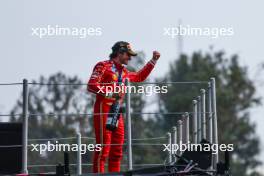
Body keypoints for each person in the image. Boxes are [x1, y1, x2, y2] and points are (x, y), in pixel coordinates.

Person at [87, 41, 160, 173]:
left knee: (117, 151)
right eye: (128, 55)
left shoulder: (124, 71)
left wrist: (153, 61)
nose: (130, 58)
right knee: (103, 148)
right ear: (119, 53)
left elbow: (139, 77)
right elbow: (91, 85)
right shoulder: (103, 66)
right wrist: (110, 92)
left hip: (117, 111)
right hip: (103, 108)